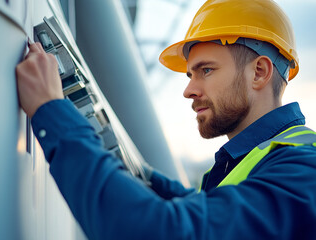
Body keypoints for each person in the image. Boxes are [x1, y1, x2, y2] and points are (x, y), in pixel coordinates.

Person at [16, 0, 316, 239]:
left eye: (206, 70)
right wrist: (145, 177)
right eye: (190, 75)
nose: (189, 90)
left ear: (259, 72)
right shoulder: (254, 164)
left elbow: (161, 231)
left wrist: (51, 109)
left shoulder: (303, 172)